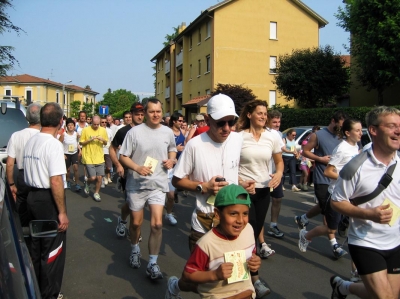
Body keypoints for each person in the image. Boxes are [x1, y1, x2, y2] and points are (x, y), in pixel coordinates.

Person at [172, 94, 269, 297]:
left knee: (229, 282)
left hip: (232, 221)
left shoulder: (236, 140)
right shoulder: (195, 145)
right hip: (205, 222)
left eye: (231, 122)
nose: (226, 128)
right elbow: (177, 180)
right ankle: (176, 285)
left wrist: (242, 185)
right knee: (200, 281)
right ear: (207, 120)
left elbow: (232, 172)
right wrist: (203, 187)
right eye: (220, 123)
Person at [330, 106, 400, 299]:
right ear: (374, 130)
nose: (398, 131)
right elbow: (336, 202)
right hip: (366, 242)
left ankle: (343, 287)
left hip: (395, 241)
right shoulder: (355, 167)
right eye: (392, 126)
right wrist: (370, 214)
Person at [165, 184, 262, 299]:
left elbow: (252, 253)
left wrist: (255, 261)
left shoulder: (249, 230)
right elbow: (188, 274)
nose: (240, 220)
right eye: (233, 214)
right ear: (217, 214)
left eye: (245, 213)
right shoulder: (206, 244)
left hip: (246, 293)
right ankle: (174, 286)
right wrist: (214, 274)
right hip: (217, 295)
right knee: (196, 286)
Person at [118, 98, 177, 280]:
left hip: (158, 184)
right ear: (145, 113)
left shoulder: (167, 132)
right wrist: (137, 168)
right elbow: (123, 156)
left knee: (157, 224)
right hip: (137, 184)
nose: (156, 114)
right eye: (152, 111)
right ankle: (135, 248)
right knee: (136, 223)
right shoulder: (135, 132)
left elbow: (173, 150)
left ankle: (152, 262)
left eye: (158, 111)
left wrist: (171, 160)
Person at [298, 119, 362, 259]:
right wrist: (345, 179)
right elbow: (328, 172)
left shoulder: (355, 146)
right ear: (347, 132)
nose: (360, 133)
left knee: (355, 228)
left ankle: (355, 270)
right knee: (330, 228)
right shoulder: (342, 149)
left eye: (361, 130)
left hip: (350, 196)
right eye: (357, 130)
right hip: (336, 195)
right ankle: (306, 235)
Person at [23, 103, 69, 299]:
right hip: (46, 199)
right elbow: (56, 180)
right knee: (52, 251)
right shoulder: (53, 145)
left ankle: (34, 290)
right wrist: (62, 212)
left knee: (36, 248)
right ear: (60, 121)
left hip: (31, 197)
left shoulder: (32, 141)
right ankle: (49, 294)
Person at [236, 100, 283, 262]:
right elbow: (230, 165)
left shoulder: (272, 137)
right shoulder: (239, 137)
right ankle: (244, 261)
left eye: (265, 113)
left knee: (256, 228)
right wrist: (239, 181)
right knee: (248, 226)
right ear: (249, 115)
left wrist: (279, 174)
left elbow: (279, 161)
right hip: (244, 190)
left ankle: (247, 260)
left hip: (264, 189)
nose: (263, 116)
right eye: (259, 113)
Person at [294, 111, 347, 236]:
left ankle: (303, 218)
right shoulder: (318, 135)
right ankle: (333, 242)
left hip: (337, 178)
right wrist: (320, 159)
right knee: (328, 208)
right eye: (339, 125)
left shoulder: (343, 136)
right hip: (322, 177)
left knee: (324, 206)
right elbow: (304, 151)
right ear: (333, 121)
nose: (340, 129)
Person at [6, 103, 41, 226]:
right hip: (39, 175)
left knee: (22, 207)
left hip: (23, 175)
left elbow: (10, 163)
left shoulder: (16, 135)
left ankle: (22, 234)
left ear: (26, 117)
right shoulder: (45, 137)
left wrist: (11, 184)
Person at [113, 102, 145, 238]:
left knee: (140, 204)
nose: (140, 117)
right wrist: (118, 165)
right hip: (128, 171)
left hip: (144, 172)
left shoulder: (148, 130)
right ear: (131, 115)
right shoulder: (123, 131)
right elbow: (112, 148)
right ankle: (123, 220)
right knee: (131, 202)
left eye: (142, 115)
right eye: (137, 114)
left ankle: (135, 229)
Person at [80, 115, 108, 202]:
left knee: (99, 178)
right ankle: (87, 183)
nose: (96, 126)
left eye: (97, 124)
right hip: (88, 157)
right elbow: (81, 143)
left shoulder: (103, 130)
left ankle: (96, 193)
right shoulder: (85, 130)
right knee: (93, 178)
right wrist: (89, 140)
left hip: (99, 157)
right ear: (91, 122)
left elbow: (106, 143)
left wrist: (102, 139)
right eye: (94, 124)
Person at [165, 112, 185, 225]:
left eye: (182, 121)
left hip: (176, 167)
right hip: (165, 166)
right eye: (180, 121)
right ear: (174, 121)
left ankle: (168, 213)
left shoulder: (181, 131)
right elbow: (162, 148)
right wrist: (175, 149)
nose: (182, 123)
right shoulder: (167, 132)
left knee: (171, 196)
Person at [61, 118, 82, 191]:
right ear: (66, 126)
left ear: (74, 126)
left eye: (72, 125)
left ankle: (77, 184)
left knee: (76, 168)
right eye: (69, 125)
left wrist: (79, 150)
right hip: (66, 154)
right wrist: (62, 154)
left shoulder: (76, 134)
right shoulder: (64, 134)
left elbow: (77, 143)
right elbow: (59, 144)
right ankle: (67, 181)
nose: (70, 126)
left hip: (74, 153)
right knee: (68, 170)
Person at [100, 116, 113, 186]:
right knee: (101, 166)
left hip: (108, 150)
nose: (104, 123)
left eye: (105, 122)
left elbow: (112, 141)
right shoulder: (97, 130)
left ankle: (106, 175)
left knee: (108, 167)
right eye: (102, 122)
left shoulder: (110, 131)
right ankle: (102, 180)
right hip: (99, 150)